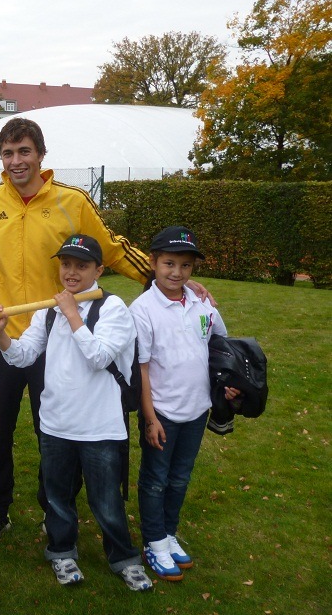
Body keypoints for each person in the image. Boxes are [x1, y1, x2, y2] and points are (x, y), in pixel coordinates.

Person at [0, 118, 155, 545]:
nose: (17, 161)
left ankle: (55, 513)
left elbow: (110, 248)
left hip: (53, 341)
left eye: (24, 151)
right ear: (1, 158)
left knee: (53, 433)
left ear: (41, 154)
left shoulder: (72, 202)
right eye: (8, 153)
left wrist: (160, 279)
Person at [0, 235, 152, 590]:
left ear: (99, 270)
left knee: (106, 502)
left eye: (81, 265)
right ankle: (62, 552)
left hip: (100, 427)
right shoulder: (48, 311)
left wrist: (73, 314)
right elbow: (23, 356)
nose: (71, 272)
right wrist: (1, 336)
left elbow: (99, 357)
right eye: (66, 264)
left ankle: (124, 558)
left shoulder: (113, 309)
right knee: (58, 500)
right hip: (56, 424)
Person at [129, 226, 238, 581]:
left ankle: (168, 534)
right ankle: (153, 541)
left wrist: (228, 384)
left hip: (197, 408)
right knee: (156, 479)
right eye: (169, 263)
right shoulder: (143, 309)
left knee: (179, 478)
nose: (177, 273)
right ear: (153, 262)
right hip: (162, 410)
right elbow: (142, 368)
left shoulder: (200, 302)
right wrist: (149, 418)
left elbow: (220, 343)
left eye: (186, 266)